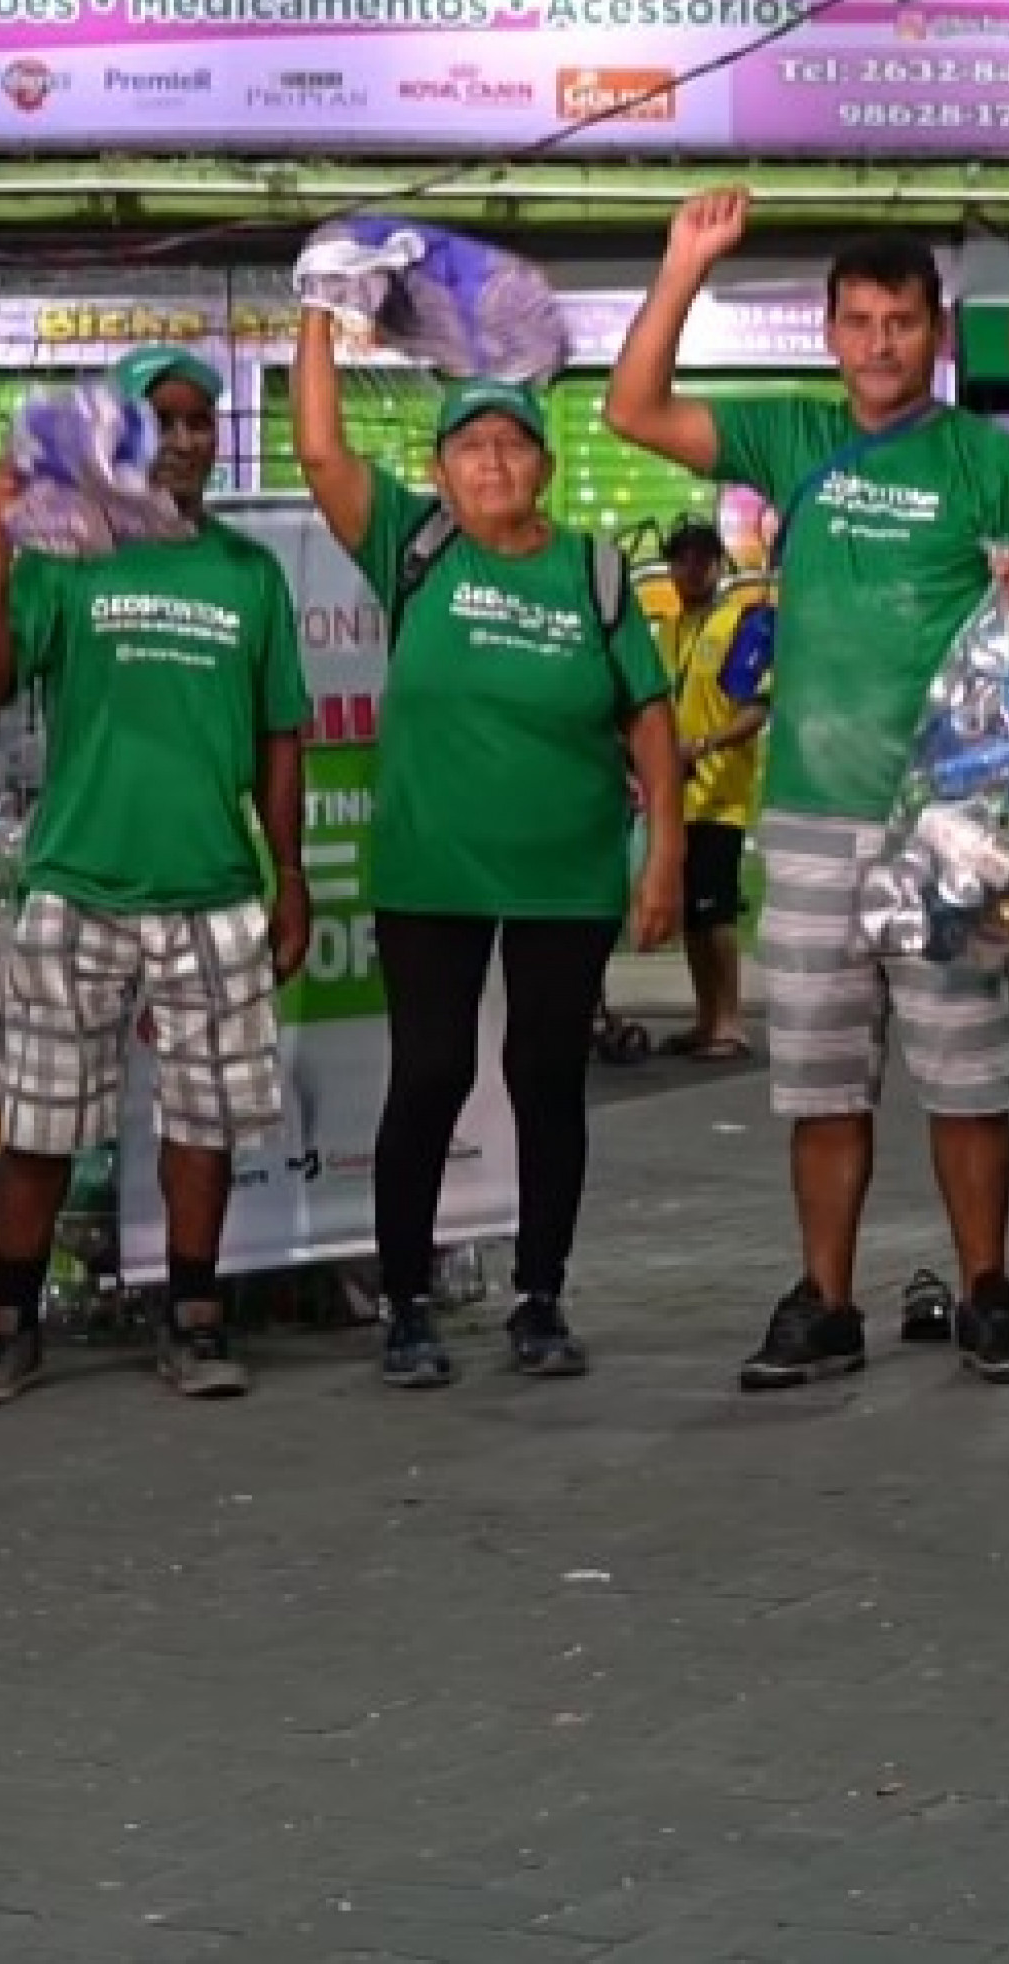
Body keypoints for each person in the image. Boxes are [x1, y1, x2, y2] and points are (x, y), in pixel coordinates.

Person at [604, 193, 1009, 1389]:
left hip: (949, 822)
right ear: (828, 333)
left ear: (937, 335)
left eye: (901, 321)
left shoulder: (983, 461)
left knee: (969, 1078)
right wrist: (682, 268)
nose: (878, 342)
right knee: (818, 1080)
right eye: (857, 321)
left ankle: (988, 1292)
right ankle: (825, 1298)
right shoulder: (794, 440)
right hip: (810, 816)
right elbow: (634, 408)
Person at [292, 311, 682, 1388]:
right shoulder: (412, 543)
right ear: (441, 470)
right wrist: (320, 312)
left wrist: (663, 856)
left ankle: (540, 1295)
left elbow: (649, 718)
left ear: (545, 466)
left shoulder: (593, 572)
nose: (493, 460)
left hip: (568, 872)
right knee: (431, 1071)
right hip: (434, 869)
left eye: (512, 443)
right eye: (472, 446)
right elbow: (321, 449)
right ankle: (407, 1304)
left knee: (547, 1076)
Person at [0, 344, 312, 1408]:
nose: (188, 436)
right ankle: (10, 1321)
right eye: (165, 418)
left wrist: (287, 873)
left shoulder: (250, 572)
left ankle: (194, 1315)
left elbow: (283, 734)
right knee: (43, 1120)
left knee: (202, 1119)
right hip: (79, 882)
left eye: (202, 419)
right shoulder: (73, 556)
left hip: (211, 888)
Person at [651, 516, 770, 1062]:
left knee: (715, 910)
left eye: (701, 559)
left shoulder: (739, 623)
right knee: (695, 917)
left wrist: (705, 746)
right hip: (676, 796)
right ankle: (706, 1019)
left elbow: (756, 709)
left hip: (720, 795)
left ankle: (729, 1022)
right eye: (681, 559)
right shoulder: (670, 628)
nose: (690, 569)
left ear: (718, 565)